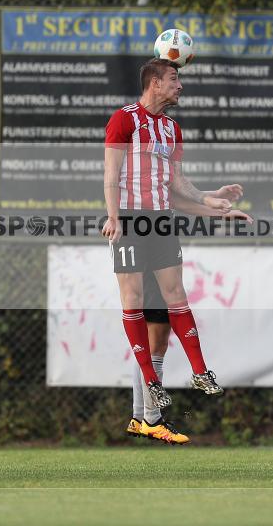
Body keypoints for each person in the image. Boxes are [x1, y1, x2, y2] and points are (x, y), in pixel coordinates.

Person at [102, 57, 234, 409]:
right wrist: (114, 217)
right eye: (174, 78)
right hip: (130, 220)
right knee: (132, 301)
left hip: (161, 221)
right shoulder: (123, 119)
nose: (180, 85)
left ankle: (200, 371)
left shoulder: (172, 129)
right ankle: (150, 379)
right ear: (154, 83)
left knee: (176, 294)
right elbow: (111, 175)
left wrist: (211, 201)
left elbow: (178, 182)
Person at [126, 195, 251, 445]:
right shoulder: (144, 176)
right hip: (152, 257)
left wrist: (219, 210)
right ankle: (152, 421)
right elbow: (174, 198)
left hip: (154, 250)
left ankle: (140, 418)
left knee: (153, 343)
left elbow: (176, 199)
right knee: (156, 341)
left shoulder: (154, 180)